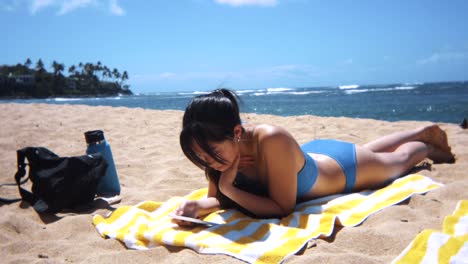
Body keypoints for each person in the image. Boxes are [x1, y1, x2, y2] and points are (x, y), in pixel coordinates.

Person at [175, 88, 455, 224]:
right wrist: (198, 206)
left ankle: (425, 144)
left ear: (236, 132)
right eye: (200, 157)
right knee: (369, 150)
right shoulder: (218, 153)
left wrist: (226, 187)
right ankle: (418, 132)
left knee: (398, 163)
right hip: (309, 156)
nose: (208, 162)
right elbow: (217, 198)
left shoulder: (270, 138)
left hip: (342, 169)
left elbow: (282, 207)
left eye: (211, 154)